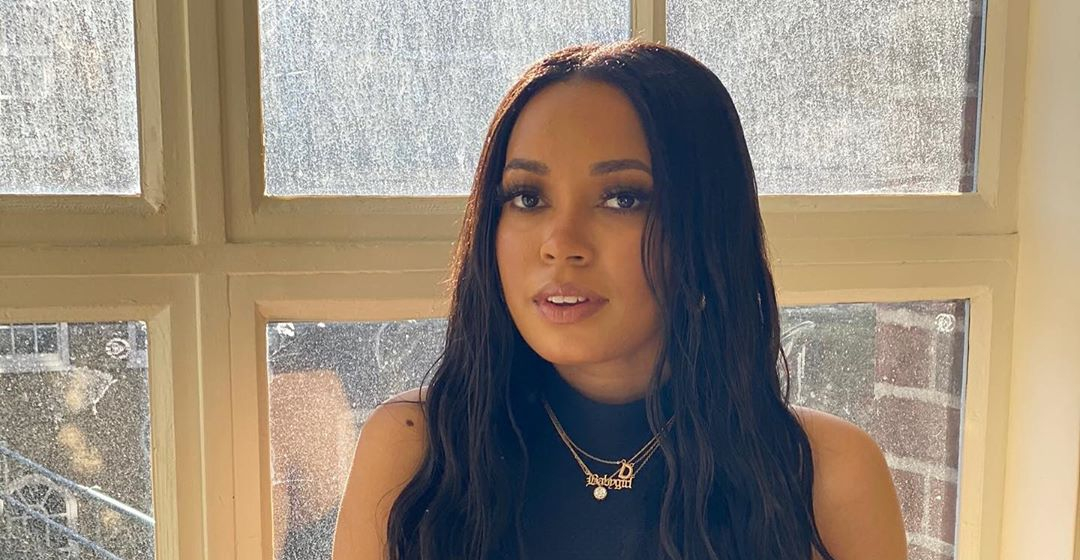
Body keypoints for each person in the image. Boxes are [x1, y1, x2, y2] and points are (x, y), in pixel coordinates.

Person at [332, 40, 906, 560]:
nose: (561, 244)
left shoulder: (827, 477)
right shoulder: (414, 452)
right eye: (528, 197)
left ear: (705, 226)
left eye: (622, 199)